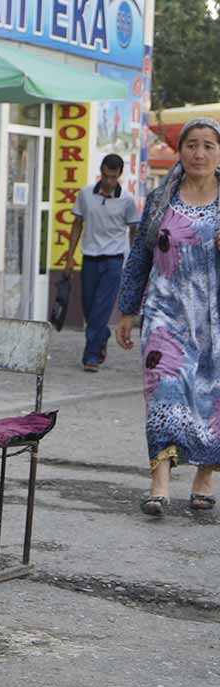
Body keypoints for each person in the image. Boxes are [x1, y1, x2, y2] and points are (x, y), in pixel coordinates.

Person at [116, 118, 220, 516]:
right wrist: (128, 311)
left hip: (213, 318)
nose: (199, 153)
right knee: (164, 391)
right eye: (192, 145)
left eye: (208, 145)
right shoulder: (162, 199)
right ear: (181, 153)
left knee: (211, 398)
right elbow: (140, 256)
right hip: (165, 316)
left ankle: (204, 478)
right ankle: (159, 483)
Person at [65, 154, 140, 372]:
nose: (109, 182)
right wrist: (70, 257)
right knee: (89, 308)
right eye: (106, 176)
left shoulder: (127, 200)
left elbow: (133, 231)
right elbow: (77, 224)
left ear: (119, 176)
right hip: (89, 259)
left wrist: (135, 262)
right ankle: (103, 335)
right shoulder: (85, 194)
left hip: (114, 261)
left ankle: (91, 356)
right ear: (101, 171)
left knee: (101, 309)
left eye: (113, 177)